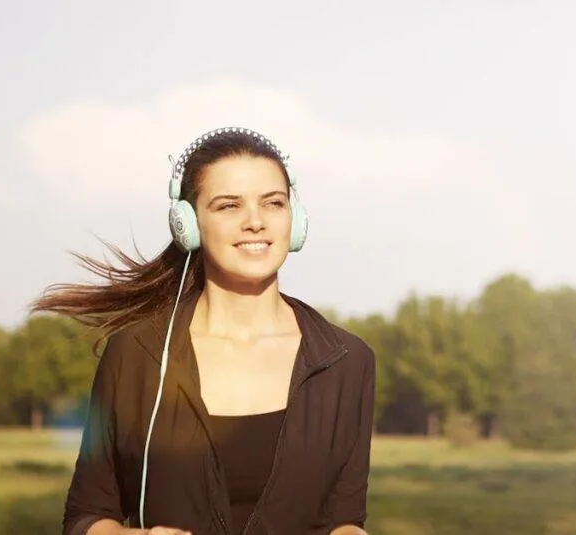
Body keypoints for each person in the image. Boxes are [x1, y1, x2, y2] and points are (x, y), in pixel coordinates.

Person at [31, 127, 375, 535]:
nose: (255, 222)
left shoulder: (348, 361)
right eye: (229, 206)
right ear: (188, 225)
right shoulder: (136, 354)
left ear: (295, 219)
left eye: (274, 203)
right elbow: (86, 514)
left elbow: (345, 520)